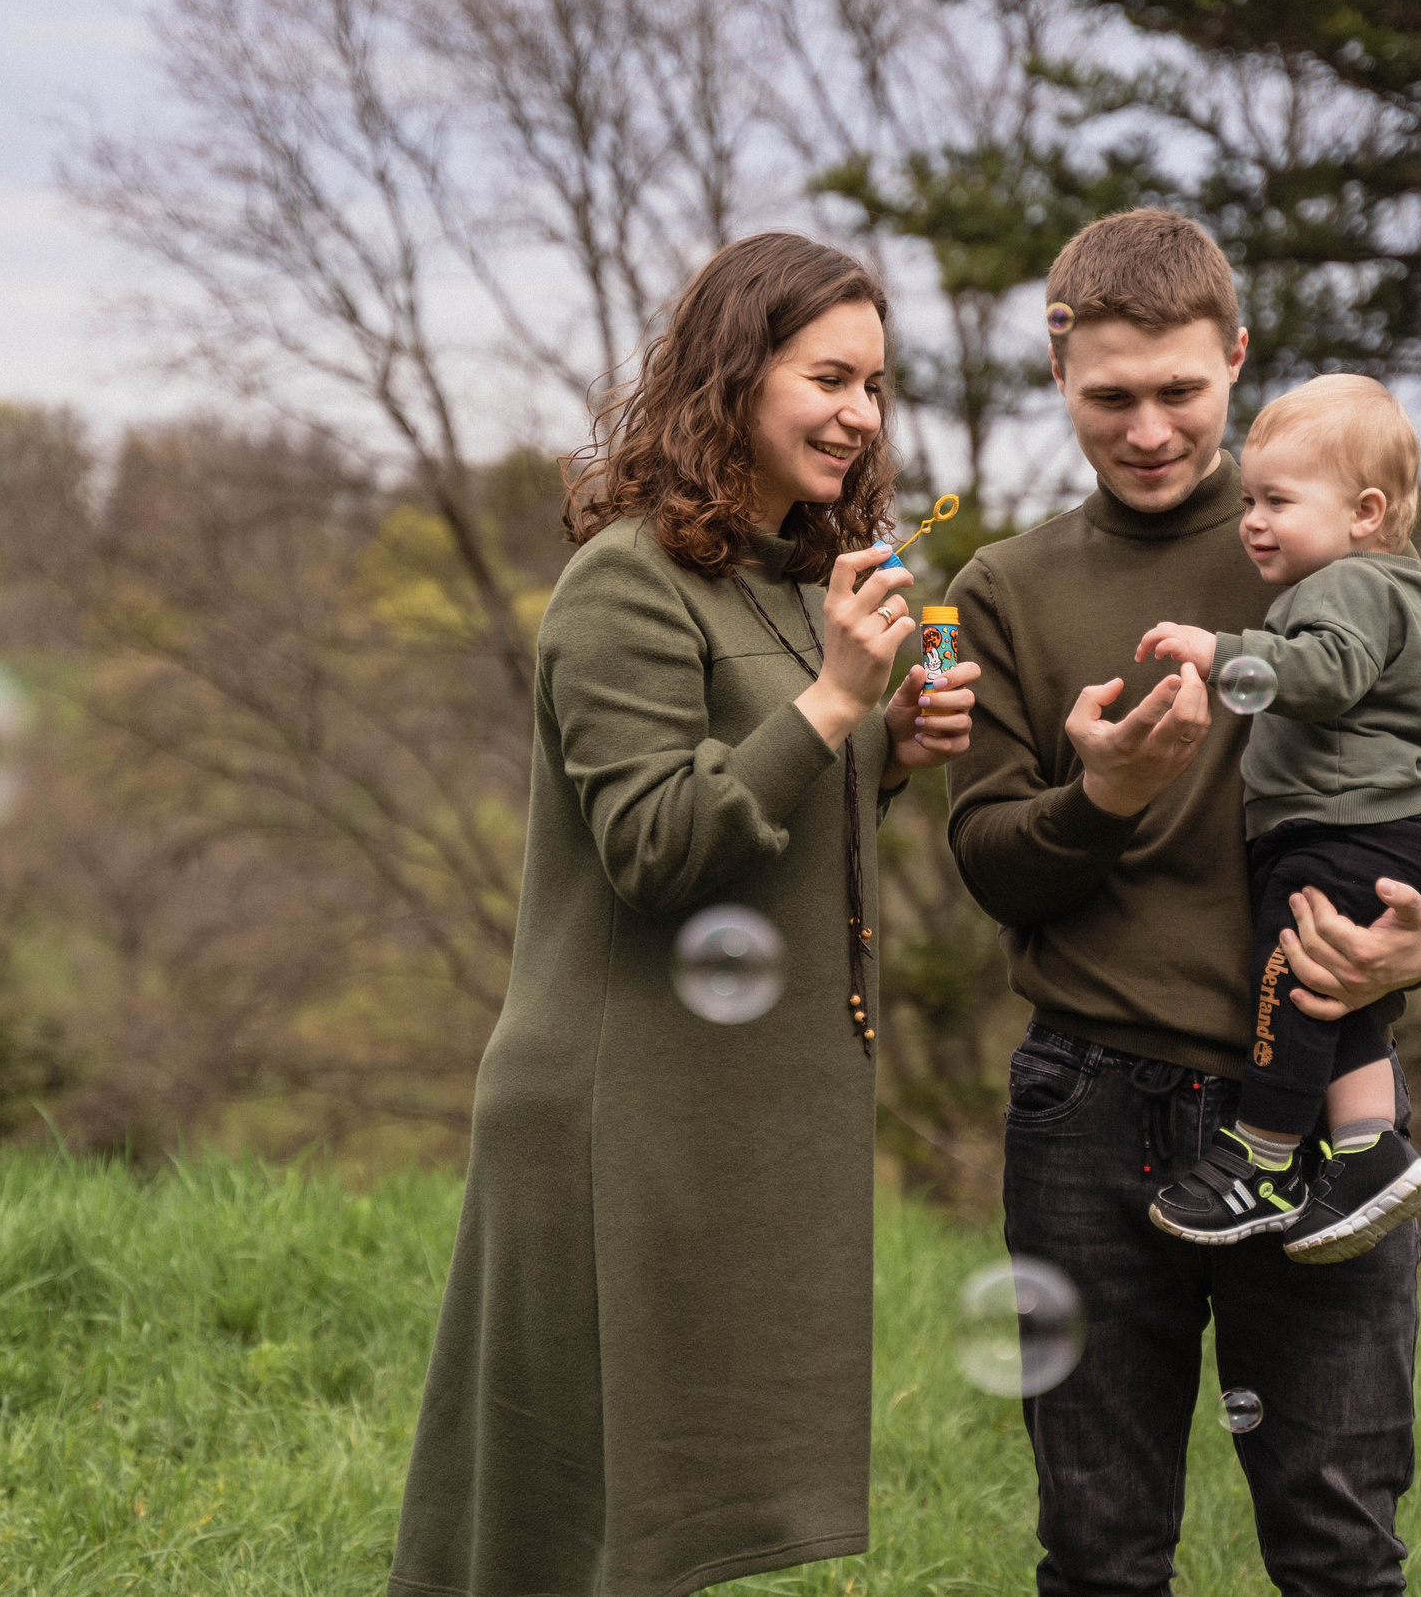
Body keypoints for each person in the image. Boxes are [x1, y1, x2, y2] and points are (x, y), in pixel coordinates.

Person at [388, 232, 980, 1597]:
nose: (863, 414)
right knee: (560, 1524)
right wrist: (835, 702)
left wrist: (882, 750)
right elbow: (658, 846)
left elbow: (758, 807)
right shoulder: (627, 583)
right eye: (829, 375)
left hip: (714, 1105)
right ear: (735, 374)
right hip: (614, 1110)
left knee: (658, 1520)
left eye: (877, 386)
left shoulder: (779, 584)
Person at [943, 210, 1421, 1597]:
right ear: (1058, 369)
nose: (1147, 429)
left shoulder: (1349, 557)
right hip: (1088, 1104)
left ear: (1235, 360)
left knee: (1338, 1536)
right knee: (1100, 1543)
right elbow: (992, 857)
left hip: (1311, 1101)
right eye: (1109, 397)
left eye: (1182, 392)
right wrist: (1105, 794)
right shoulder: (1006, 589)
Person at [1132, 374, 1421, 1261]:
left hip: (1341, 835)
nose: (1252, 521)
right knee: (1341, 997)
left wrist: (1221, 648)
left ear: (1365, 511)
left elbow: (1325, 675)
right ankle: (1366, 1152)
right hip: (1407, 834)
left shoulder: (1343, 589)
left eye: (1277, 500)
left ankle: (1264, 1163)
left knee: (1287, 976)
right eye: (1248, 501)